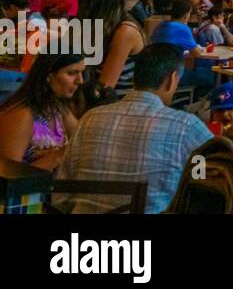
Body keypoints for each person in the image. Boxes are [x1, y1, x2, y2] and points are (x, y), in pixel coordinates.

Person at [55, 44, 212, 213]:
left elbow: (63, 192)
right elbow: (206, 181)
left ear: (135, 78)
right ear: (172, 79)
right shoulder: (187, 127)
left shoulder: (89, 119)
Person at [0, 52, 84, 168]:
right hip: (28, 185)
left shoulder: (56, 109)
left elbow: (85, 139)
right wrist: (57, 156)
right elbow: (8, 177)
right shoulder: (21, 115)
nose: (80, 80)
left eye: (81, 73)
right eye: (71, 73)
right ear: (48, 76)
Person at [77, 0, 147, 103]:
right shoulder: (103, 27)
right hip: (96, 97)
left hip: (118, 103)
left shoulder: (125, 32)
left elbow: (104, 87)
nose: (82, 13)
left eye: (87, 8)